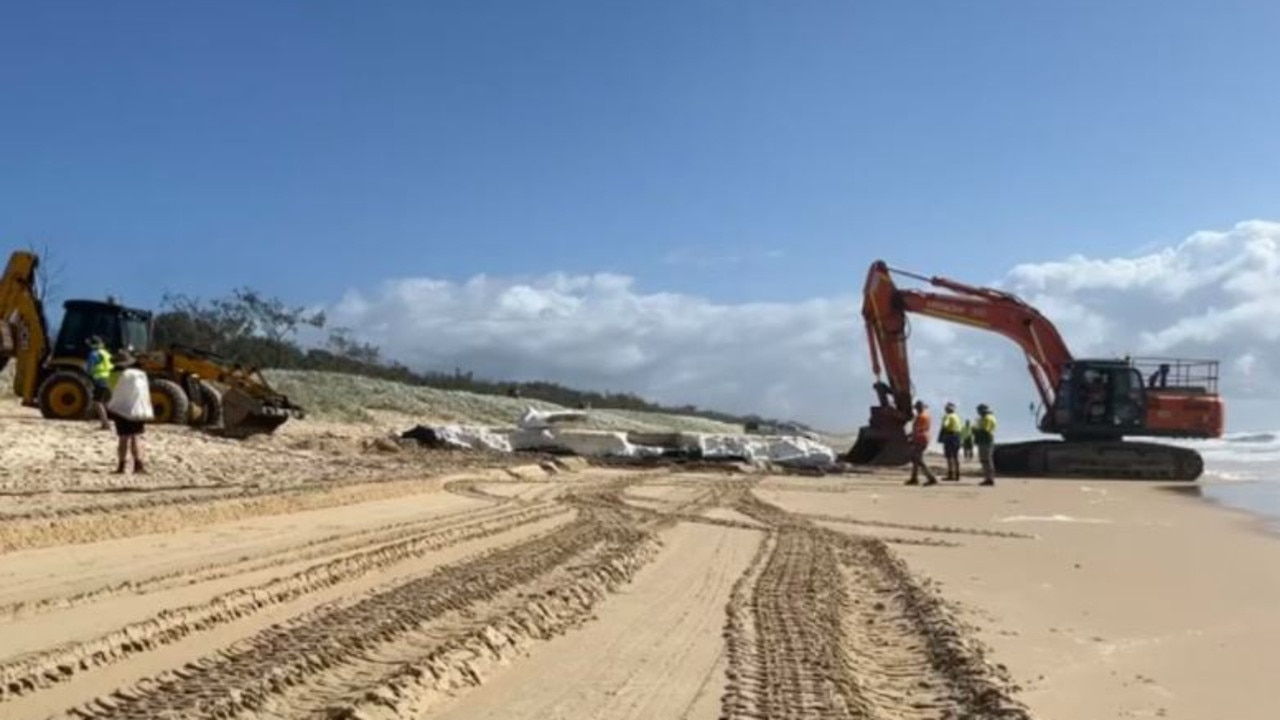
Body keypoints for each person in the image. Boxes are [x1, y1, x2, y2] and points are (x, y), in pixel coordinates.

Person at [105, 350, 154, 474]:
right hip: (135, 409)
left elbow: (111, 391)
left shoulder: (112, 374)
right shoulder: (137, 374)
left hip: (119, 410)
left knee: (123, 438)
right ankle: (138, 465)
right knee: (135, 437)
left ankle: (121, 466)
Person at [905, 400, 939, 486]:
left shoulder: (920, 417)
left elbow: (917, 429)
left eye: (917, 408)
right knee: (916, 459)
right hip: (924, 438)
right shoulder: (926, 416)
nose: (916, 409)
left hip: (920, 439)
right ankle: (914, 478)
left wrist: (910, 437)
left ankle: (931, 478)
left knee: (917, 459)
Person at [85, 336, 113, 430]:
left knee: (97, 402)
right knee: (102, 401)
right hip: (107, 379)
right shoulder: (105, 353)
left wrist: (87, 377)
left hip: (98, 380)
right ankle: (104, 421)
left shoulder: (93, 354)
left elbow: (89, 369)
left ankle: (105, 423)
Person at [974, 403, 997, 486]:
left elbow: (985, 430)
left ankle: (989, 479)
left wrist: (975, 429)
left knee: (985, 460)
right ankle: (989, 478)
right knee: (987, 460)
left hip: (985, 440)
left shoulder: (986, 418)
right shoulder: (991, 417)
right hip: (987, 440)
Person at [939, 401, 963, 480]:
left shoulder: (948, 416)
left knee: (949, 457)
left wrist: (941, 435)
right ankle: (957, 474)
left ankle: (950, 474)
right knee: (956, 457)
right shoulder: (957, 416)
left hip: (950, 436)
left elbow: (945, 425)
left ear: (947, 409)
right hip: (958, 436)